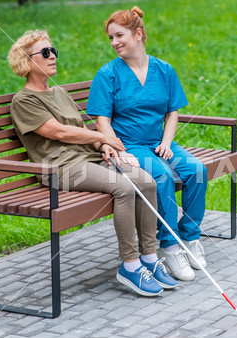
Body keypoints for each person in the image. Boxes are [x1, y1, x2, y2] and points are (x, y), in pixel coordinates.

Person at [7, 29, 178, 296]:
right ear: (26, 61)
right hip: (60, 168)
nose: (52, 56)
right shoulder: (24, 100)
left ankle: (149, 258)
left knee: (146, 181)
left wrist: (104, 145)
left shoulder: (59, 92)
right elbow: (59, 132)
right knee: (124, 187)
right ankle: (130, 266)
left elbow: (81, 127)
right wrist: (102, 136)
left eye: (53, 51)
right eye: (45, 52)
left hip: (88, 159)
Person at [87, 7, 208, 281]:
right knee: (161, 176)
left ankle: (189, 238)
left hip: (158, 143)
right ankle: (169, 245)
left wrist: (167, 141)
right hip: (130, 147)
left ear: (138, 33)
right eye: (110, 38)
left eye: (119, 35)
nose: (114, 42)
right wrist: (118, 149)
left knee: (197, 171)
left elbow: (173, 112)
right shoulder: (108, 74)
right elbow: (101, 121)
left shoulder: (164, 70)